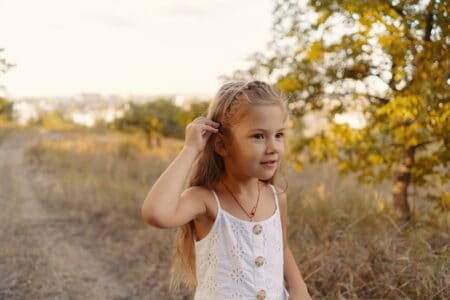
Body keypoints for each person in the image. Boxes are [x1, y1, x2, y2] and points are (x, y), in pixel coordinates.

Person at [141, 80, 312, 299]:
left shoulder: (276, 197)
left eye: (279, 135)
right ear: (222, 145)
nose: (273, 148)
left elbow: (282, 248)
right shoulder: (206, 200)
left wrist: (299, 287)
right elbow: (156, 213)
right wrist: (191, 149)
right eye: (258, 136)